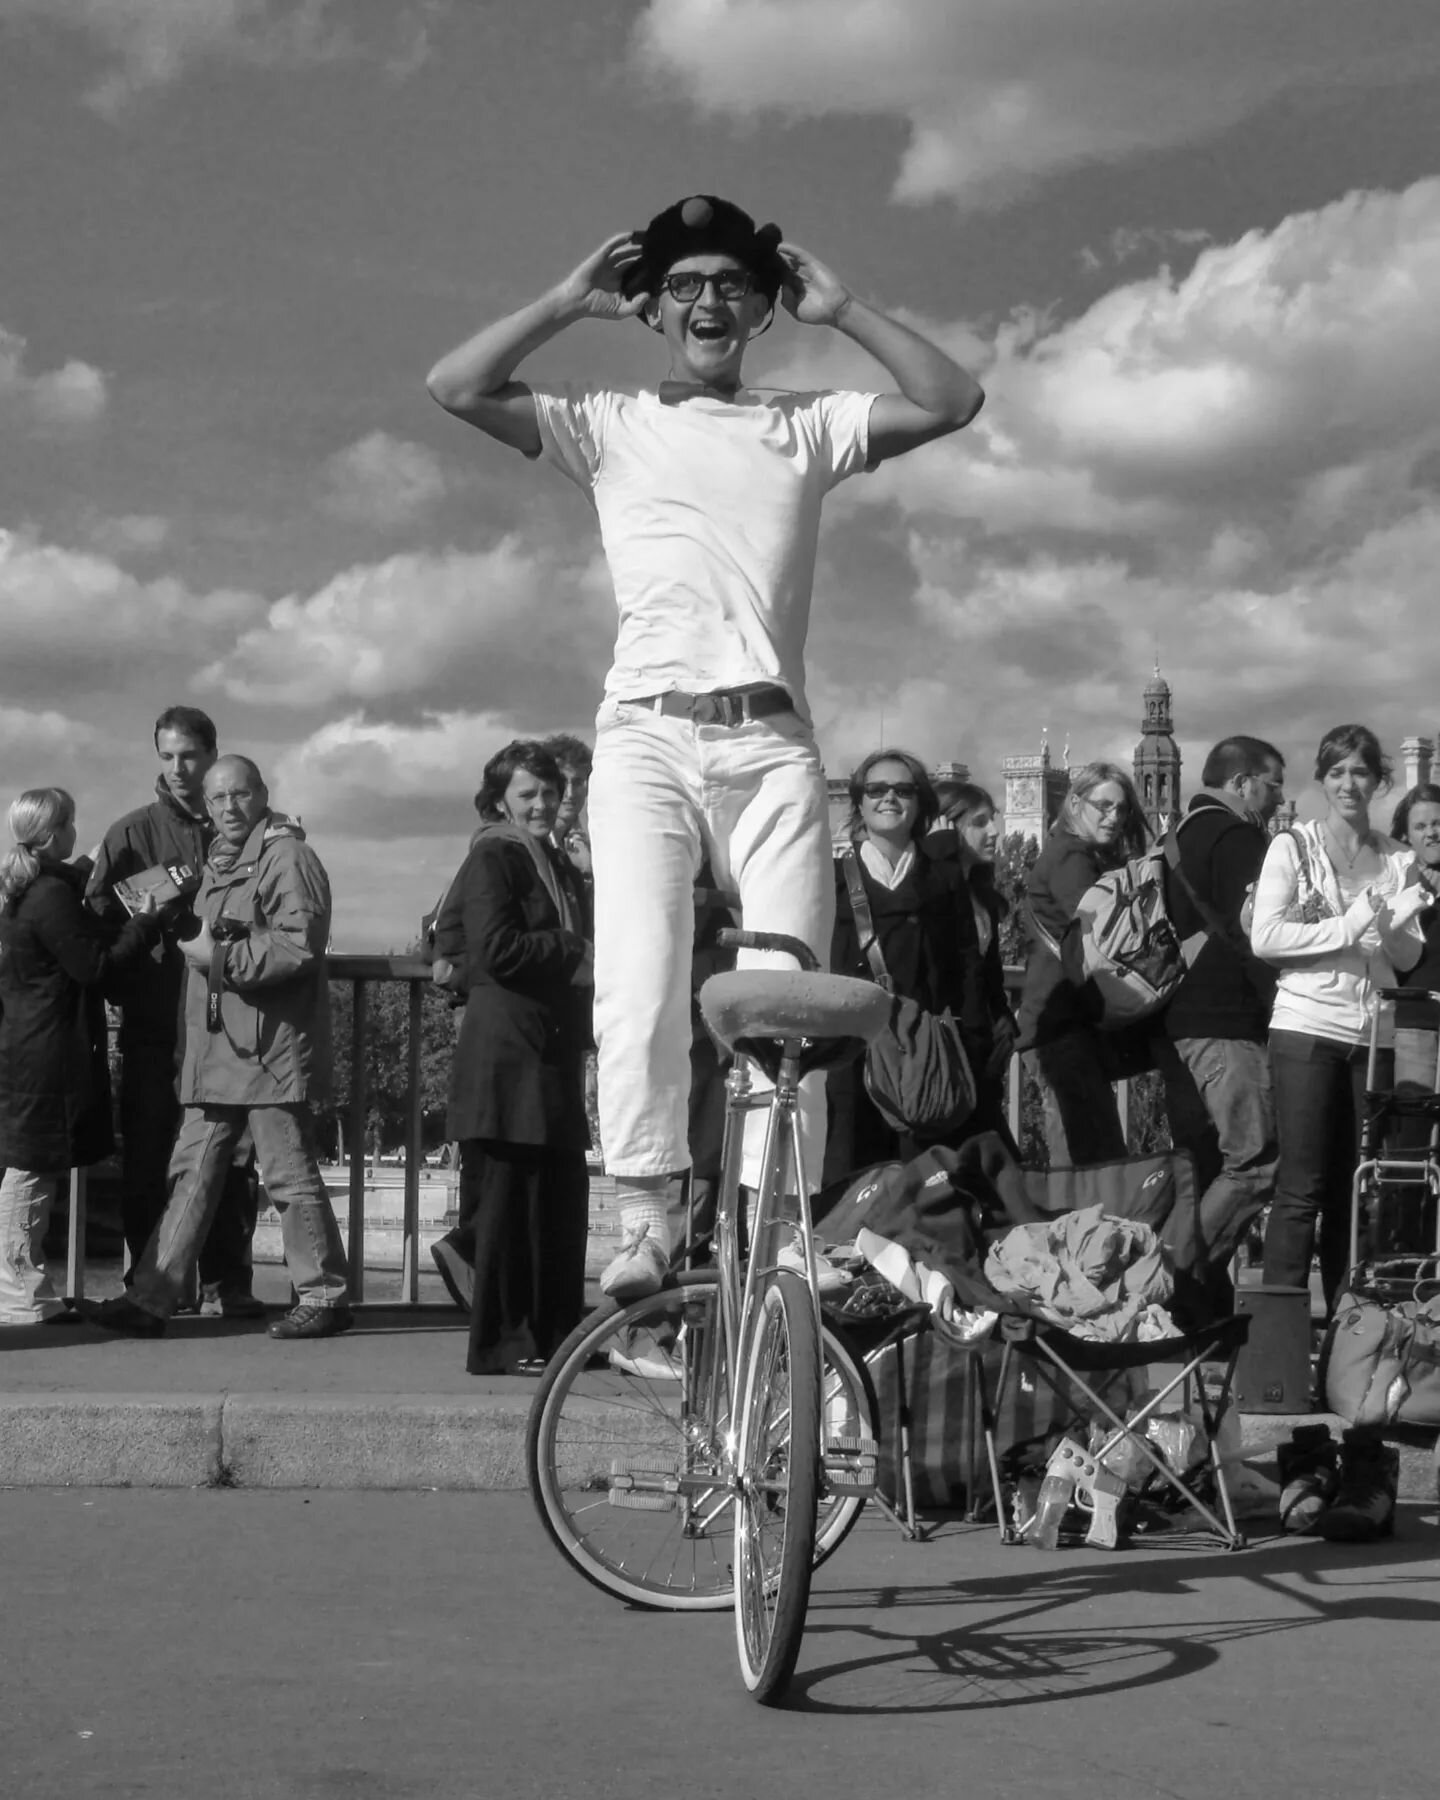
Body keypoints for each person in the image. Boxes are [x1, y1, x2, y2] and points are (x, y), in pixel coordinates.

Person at [426, 192, 983, 1299]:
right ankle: (644, 1213)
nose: (708, 300)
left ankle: (778, 1223)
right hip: (644, 740)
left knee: (790, 995)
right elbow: (457, 385)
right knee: (636, 974)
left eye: (730, 283)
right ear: (653, 309)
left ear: (760, 307)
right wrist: (563, 303)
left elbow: (952, 397)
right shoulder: (607, 422)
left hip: (772, 741)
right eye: (683, 285)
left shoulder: (807, 424)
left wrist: (846, 309)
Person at [87, 757, 352, 1339]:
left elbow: (298, 945)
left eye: (240, 795)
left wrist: (223, 958)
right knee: (192, 1173)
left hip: (268, 1049)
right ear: (207, 808)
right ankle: (152, 1296)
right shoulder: (221, 865)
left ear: (261, 795)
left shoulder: (288, 857)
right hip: (224, 1052)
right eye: (219, 799)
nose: (230, 808)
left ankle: (325, 1296)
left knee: (288, 1174)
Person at [87, 705, 261, 1317]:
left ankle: (226, 1286)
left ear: (213, 754)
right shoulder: (130, 834)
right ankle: (149, 1287)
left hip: (229, 1026)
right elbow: (96, 934)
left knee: (231, 1161)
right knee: (148, 1157)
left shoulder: (250, 828)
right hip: (155, 1022)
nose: (179, 768)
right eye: (167, 756)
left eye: (189, 754)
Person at [438, 740, 592, 1374]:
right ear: (500, 799)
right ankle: (509, 1342)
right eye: (527, 793)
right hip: (507, 1057)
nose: (542, 804)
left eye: (550, 793)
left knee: (558, 1200)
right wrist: (572, 951)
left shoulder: (555, 864)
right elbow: (497, 950)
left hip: (547, 1050)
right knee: (513, 1208)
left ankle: (558, 1336)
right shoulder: (495, 858)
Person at [0, 789, 163, 1324]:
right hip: (46, 1049)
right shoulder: (49, 895)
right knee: (32, 1165)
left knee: (32, 1163)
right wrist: (145, 922)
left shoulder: (31, 888)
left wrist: (96, 872)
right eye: (70, 822)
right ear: (53, 835)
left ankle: (25, 1289)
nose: (76, 830)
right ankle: (18, 1291)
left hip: (30, 1042)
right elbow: (94, 966)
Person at [1150, 736, 1286, 1307]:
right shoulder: (1238, 837)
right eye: (1272, 783)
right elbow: (1261, 933)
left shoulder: (1172, 837)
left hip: (1175, 1019)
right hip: (1226, 1022)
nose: (1278, 796)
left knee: (1204, 1166)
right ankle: (1167, 1282)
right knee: (1254, 1163)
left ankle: (1198, 1311)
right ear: (1241, 782)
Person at [824, 750, 988, 1182]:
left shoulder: (943, 877)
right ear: (858, 802)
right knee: (855, 1178)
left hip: (922, 1057)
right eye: (876, 790)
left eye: (903, 790)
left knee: (924, 1180)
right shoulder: (834, 878)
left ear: (920, 803)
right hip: (853, 1056)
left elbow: (967, 965)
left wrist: (970, 1043)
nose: (889, 798)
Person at [1017, 762, 1149, 1166]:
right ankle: (1074, 1227)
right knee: (1088, 1156)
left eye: (1122, 809)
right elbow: (1106, 933)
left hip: (1061, 1021)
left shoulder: (1074, 852)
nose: (1114, 817)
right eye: (1103, 806)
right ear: (1075, 803)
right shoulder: (1071, 857)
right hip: (1062, 1023)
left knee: (1086, 1148)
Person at [938, 782, 1020, 1147]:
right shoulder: (936, 889)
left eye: (994, 820)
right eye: (980, 822)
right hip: (948, 1052)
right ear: (948, 826)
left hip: (980, 1051)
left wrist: (1003, 1017)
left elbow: (989, 971)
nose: (995, 832)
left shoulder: (980, 893)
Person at [1389, 782, 1440, 1135]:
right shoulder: (1395, 883)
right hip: (1414, 1023)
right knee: (1413, 1134)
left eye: (1438, 823)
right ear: (1406, 835)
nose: (1432, 833)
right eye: (1420, 827)